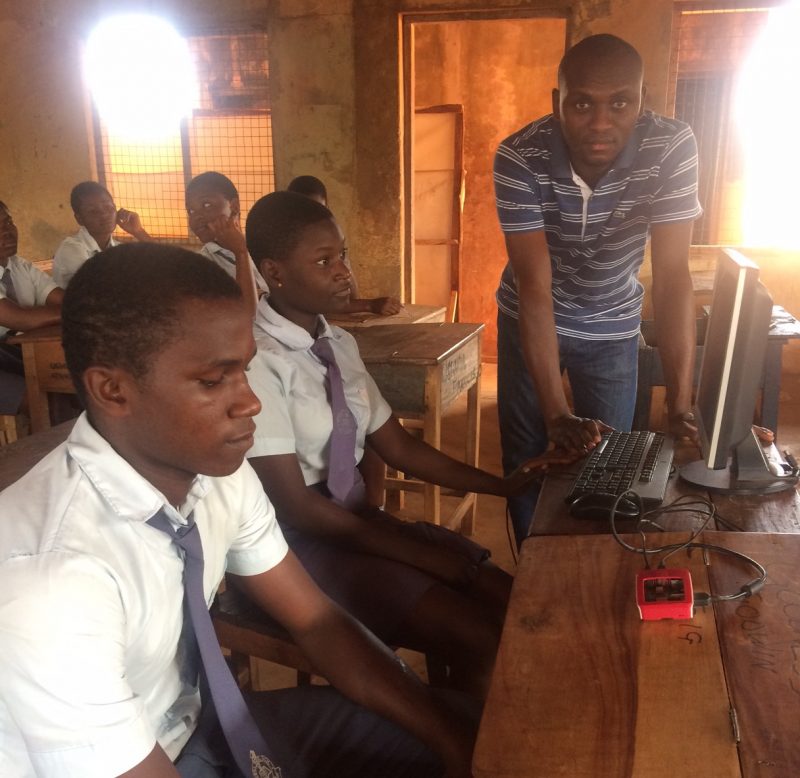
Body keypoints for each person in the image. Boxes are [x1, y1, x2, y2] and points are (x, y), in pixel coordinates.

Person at [0, 242, 478, 778]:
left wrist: (451, 741)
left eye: (245, 371)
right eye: (213, 380)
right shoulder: (50, 580)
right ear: (112, 390)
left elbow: (316, 620)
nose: (250, 401)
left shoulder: (215, 475)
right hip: (128, 761)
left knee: (476, 732)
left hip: (201, 724)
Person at [244, 191, 572, 699]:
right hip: (291, 545)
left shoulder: (339, 344)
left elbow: (398, 446)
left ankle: (463, 714)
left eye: (344, 255)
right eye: (324, 261)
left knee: (514, 602)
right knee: (482, 637)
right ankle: (460, 745)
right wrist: (413, 552)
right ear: (275, 272)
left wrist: (503, 485)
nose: (344, 273)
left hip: (354, 525)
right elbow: (298, 507)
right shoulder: (256, 361)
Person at [493, 34, 702, 545]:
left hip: (613, 324)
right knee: (530, 457)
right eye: (582, 103)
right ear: (556, 102)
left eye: (621, 103)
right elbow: (535, 286)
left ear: (642, 101)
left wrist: (681, 403)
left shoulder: (672, 147)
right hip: (531, 316)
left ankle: (594, 567)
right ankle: (530, 579)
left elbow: (673, 276)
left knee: (612, 466)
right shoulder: (519, 157)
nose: (602, 123)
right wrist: (556, 413)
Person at [287, 175, 403, 317]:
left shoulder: (329, 242)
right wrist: (369, 305)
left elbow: (350, 295)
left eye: (319, 211)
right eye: (303, 212)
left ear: (327, 209)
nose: (311, 220)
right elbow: (302, 301)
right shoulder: (280, 248)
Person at [0, 200, 63, 415]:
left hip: (12, 352)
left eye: (8, 222)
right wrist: (74, 312)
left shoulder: (20, 266)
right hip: (6, 354)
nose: (7, 232)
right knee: (37, 397)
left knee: (63, 382)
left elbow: (61, 300)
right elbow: (20, 319)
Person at [185, 171, 269, 317]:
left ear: (234, 206)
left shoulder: (260, 247)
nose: (196, 216)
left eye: (206, 205)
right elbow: (247, 315)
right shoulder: (202, 264)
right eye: (190, 210)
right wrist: (240, 253)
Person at [52, 180, 152, 288]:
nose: (104, 215)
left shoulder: (118, 248)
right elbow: (104, 288)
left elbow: (164, 264)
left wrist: (138, 231)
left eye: (109, 208)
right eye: (93, 211)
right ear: (79, 219)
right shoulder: (71, 249)